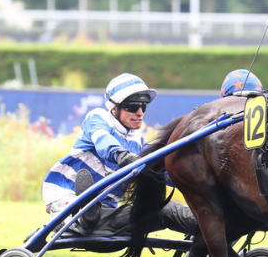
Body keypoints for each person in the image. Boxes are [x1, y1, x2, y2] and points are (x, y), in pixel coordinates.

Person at [42, 73, 197, 236]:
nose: (139, 112)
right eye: (133, 106)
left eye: (143, 106)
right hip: (65, 199)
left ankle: (212, 227)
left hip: (106, 214)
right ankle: (78, 218)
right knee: (80, 212)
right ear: (113, 108)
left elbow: (164, 174)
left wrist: (192, 180)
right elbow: (104, 142)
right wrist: (122, 155)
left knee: (167, 210)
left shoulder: (137, 142)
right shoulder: (98, 118)